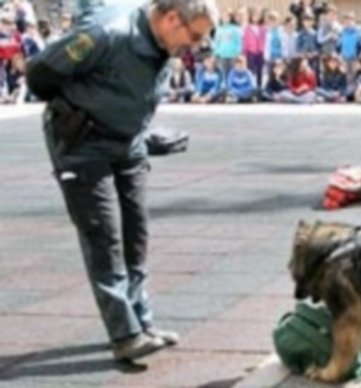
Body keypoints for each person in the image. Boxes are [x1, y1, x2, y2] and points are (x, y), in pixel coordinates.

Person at [24, 0, 217, 362]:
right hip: (82, 143)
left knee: (135, 234)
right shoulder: (107, 33)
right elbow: (40, 75)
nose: (194, 45)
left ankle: (141, 323)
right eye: (193, 36)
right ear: (172, 18)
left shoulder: (164, 41)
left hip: (128, 143)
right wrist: (76, 111)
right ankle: (124, 333)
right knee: (104, 236)